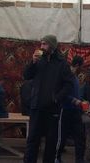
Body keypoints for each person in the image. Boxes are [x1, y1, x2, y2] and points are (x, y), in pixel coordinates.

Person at [23, 35, 74, 163]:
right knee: (32, 140)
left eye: (44, 44)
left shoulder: (61, 63)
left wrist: (57, 98)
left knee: (51, 142)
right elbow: (27, 75)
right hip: (36, 107)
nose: (41, 46)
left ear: (52, 45)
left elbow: (69, 84)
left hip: (52, 109)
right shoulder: (38, 60)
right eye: (41, 44)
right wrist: (32, 62)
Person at [56, 55, 86, 163]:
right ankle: (56, 158)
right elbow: (60, 93)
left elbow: (76, 93)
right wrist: (74, 100)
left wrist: (81, 102)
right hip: (65, 109)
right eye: (82, 66)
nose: (82, 69)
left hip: (76, 111)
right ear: (77, 65)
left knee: (80, 136)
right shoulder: (65, 76)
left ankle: (80, 160)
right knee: (61, 136)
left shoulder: (75, 77)